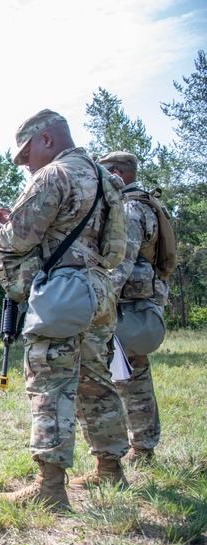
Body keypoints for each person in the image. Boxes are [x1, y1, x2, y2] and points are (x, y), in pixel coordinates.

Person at [0, 109, 129, 511]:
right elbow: (114, 251)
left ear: (46, 140)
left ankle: (49, 488)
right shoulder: (105, 179)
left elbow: (17, 241)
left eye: (26, 154)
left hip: (63, 294)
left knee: (50, 382)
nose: (26, 165)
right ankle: (110, 468)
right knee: (96, 380)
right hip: (100, 291)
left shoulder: (53, 175)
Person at [98, 151, 168, 467]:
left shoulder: (129, 209)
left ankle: (139, 449)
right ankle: (142, 448)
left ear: (117, 173)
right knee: (134, 375)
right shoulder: (147, 204)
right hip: (141, 304)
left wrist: (98, 302)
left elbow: (120, 264)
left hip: (128, 308)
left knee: (129, 379)